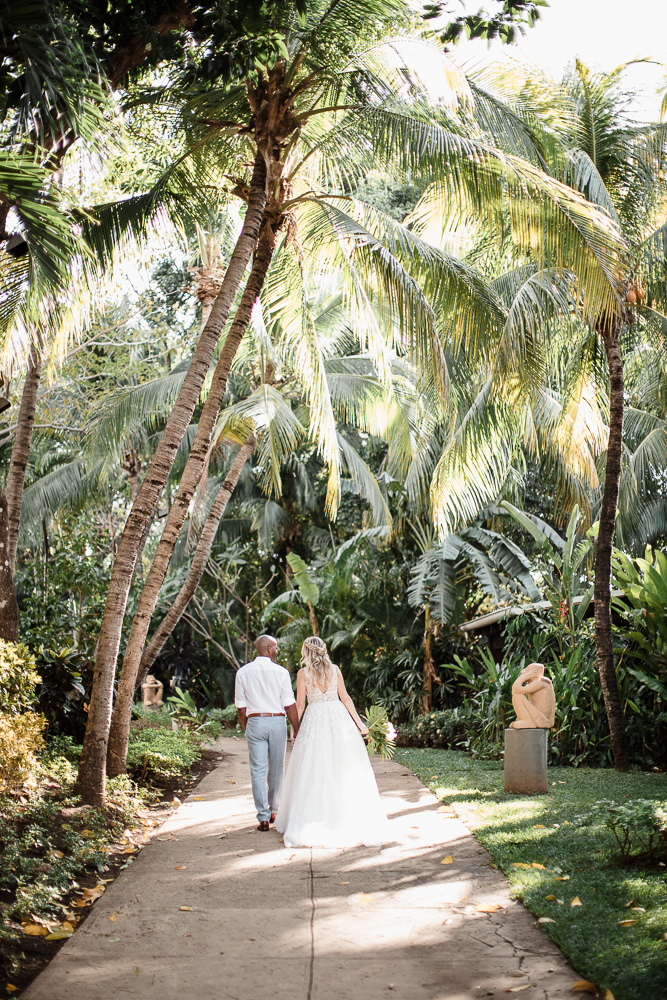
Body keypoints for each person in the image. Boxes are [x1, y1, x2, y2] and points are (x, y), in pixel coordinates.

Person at [275, 636, 392, 849]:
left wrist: (295, 728)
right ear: (322, 650)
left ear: (306, 652)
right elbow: (345, 698)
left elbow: (300, 705)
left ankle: (314, 818)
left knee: (314, 767)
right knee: (342, 764)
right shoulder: (335, 670)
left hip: (314, 719)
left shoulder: (303, 674)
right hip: (338, 718)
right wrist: (360, 725)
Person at [235, 635, 301, 832]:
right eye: (276, 648)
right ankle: (274, 810)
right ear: (270, 648)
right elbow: (289, 704)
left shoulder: (243, 672)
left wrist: (247, 726)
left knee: (257, 770)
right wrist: (297, 728)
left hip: (255, 720)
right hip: (277, 721)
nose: (277, 651)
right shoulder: (281, 672)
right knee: (277, 768)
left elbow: (240, 706)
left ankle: (263, 817)